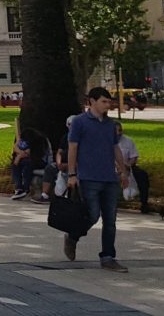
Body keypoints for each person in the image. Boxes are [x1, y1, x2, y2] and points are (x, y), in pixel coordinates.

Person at [65, 87, 130, 272]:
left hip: (109, 178)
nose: (107, 105)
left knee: (110, 220)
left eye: (108, 102)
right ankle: (73, 236)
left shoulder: (110, 124)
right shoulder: (80, 122)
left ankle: (108, 257)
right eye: (103, 101)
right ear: (91, 101)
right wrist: (71, 174)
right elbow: (73, 148)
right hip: (88, 177)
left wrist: (123, 171)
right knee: (92, 215)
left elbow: (115, 148)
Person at [115, 121, 151, 214]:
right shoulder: (105, 141)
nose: (118, 133)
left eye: (120, 130)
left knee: (142, 175)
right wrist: (119, 167)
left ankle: (144, 203)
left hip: (128, 166)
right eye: (116, 131)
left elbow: (134, 157)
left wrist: (128, 166)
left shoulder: (128, 141)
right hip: (111, 167)